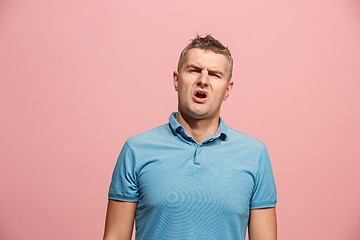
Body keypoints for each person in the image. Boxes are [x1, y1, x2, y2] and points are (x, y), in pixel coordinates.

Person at [103, 35, 277, 240]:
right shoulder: (136, 150)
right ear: (176, 79)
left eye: (214, 74)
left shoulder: (254, 155)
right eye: (194, 70)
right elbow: (115, 236)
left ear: (227, 90)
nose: (203, 80)